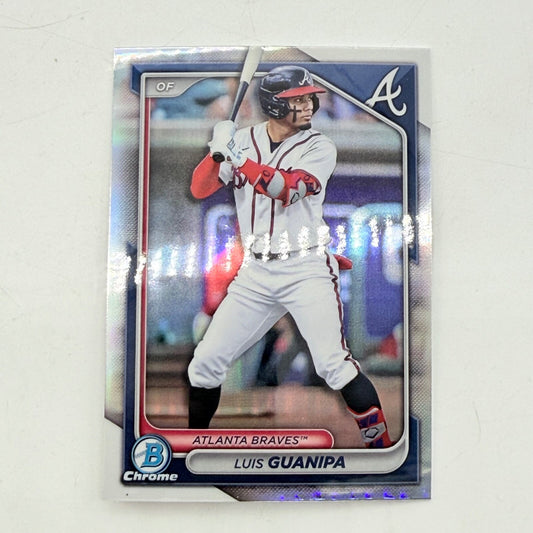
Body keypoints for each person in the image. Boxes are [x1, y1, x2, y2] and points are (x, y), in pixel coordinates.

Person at [187, 65, 392, 448]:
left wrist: (239, 161)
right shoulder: (242, 140)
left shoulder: (319, 146)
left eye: (309, 98)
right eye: (297, 99)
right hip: (256, 271)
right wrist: (215, 154)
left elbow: (289, 189)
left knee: (333, 366)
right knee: (204, 364)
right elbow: (200, 189)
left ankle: (380, 445)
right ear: (273, 104)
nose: (308, 105)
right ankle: (193, 445)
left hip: (305, 267)